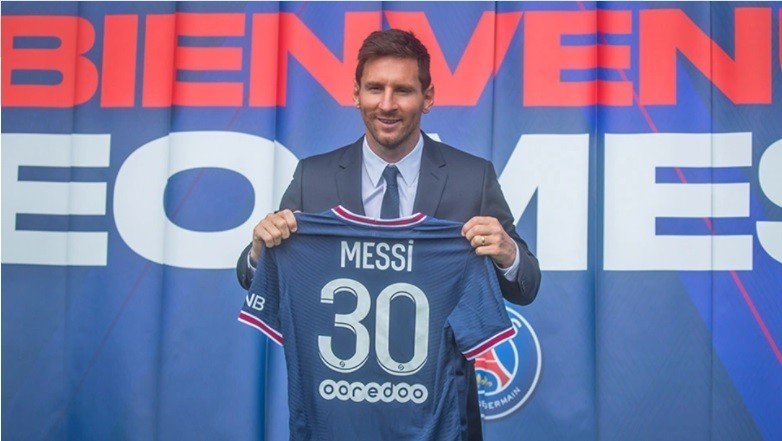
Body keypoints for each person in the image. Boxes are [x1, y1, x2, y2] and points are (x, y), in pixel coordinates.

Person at [236, 29, 541, 440]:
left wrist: (507, 254)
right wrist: (259, 251)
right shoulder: (314, 176)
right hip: (338, 420)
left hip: (440, 421)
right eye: (375, 88)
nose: (386, 104)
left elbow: (526, 286)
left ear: (427, 97)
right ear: (356, 94)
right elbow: (256, 274)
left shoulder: (472, 177)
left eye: (403, 90)